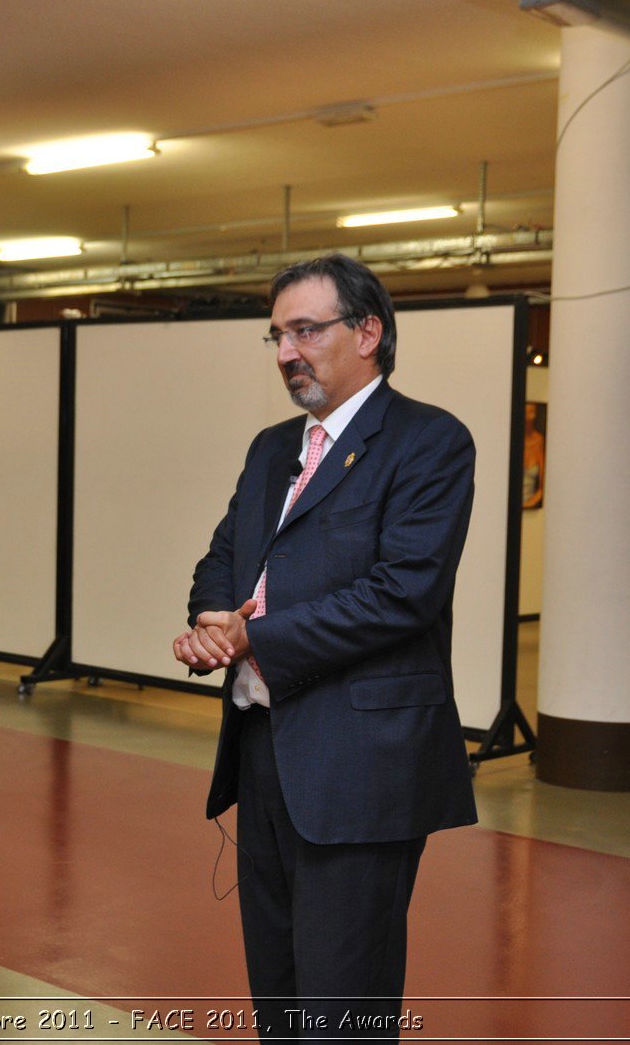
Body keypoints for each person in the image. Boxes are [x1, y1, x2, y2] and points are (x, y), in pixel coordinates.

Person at [173, 253, 478, 1042]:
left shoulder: (429, 442)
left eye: (305, 329)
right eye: (276, 334)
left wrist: (254, 636)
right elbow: (223, 556)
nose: (286, 352)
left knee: (344, 1005)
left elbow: (403, 592)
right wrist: (213, 618)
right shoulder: (273, 447)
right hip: (265, 748)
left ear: (368, 331)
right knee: (277, 989)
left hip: (361, 762)